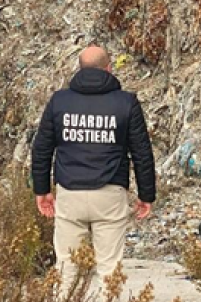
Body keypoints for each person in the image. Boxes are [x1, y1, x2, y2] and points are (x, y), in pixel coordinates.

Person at [31, 45, 156, 280]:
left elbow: (41, 149)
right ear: (109, 69)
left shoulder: (60, 101)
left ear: (79, 69)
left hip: (70, 194)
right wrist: (146, 195)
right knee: (109, 269)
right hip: (109, 194)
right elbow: (142, 154)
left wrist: (42, 190)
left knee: (67, 268)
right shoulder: (126, 103)